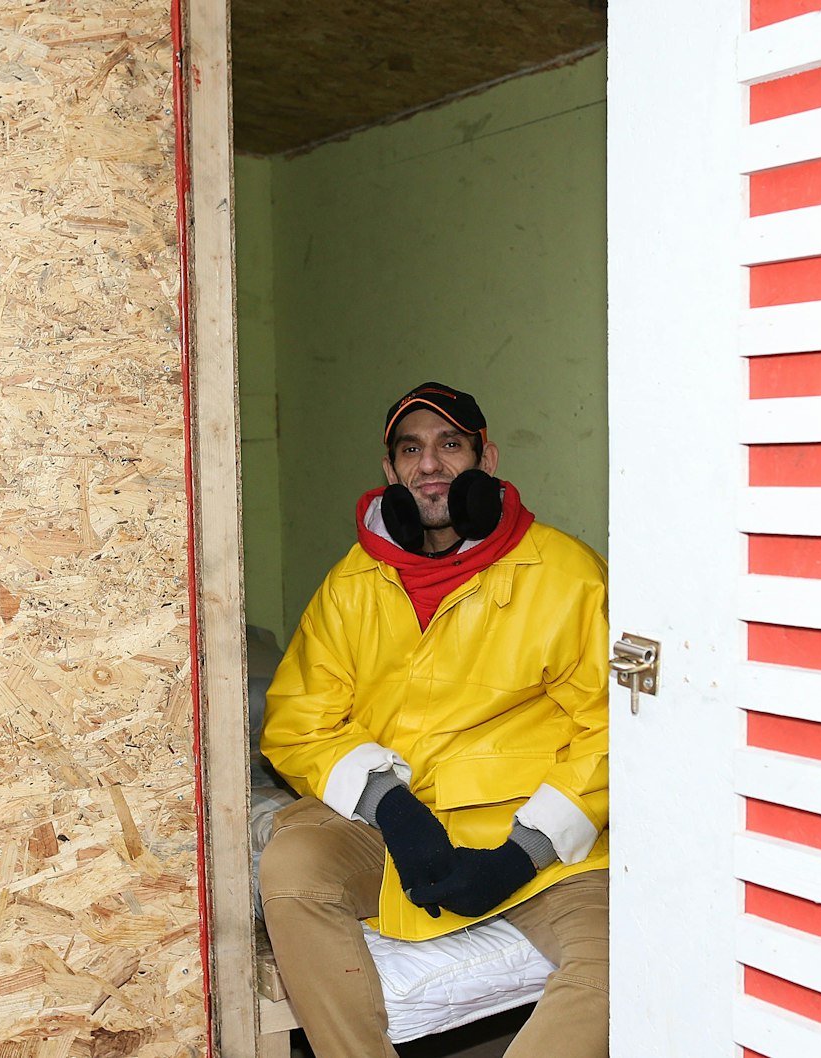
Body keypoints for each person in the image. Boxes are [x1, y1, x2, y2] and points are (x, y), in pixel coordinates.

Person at [258, 382, 609, 1058]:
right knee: (292, 862)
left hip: (540, 850)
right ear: (390, 472)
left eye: (450, 445)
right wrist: (392, 810)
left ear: (487, 459)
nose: (430, 465)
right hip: (401, 835)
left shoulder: (568, 575)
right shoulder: (350, 586)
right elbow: (298, 721)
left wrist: (524, 852)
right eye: (411, 449)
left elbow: (612, 731)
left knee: (622, 972)